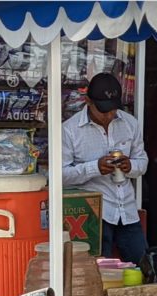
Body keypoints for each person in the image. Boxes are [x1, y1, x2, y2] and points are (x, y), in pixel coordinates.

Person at [62, 72, 148, 264]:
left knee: (144, 268)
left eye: (113, 110)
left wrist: (130, 166)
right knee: (98, 272)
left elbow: (142, 161)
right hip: (94, 215)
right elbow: (60, 175)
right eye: (103, 110)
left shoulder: (130, 123)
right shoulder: (70, 130)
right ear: (88, 102)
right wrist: (95, 168)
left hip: (127, 210)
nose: (109, 115)